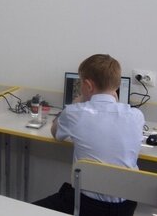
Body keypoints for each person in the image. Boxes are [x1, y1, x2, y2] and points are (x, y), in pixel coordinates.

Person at [33, 54, 144, 216]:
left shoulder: (75, 112)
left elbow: (55, 133)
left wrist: (75, 103)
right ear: (116, 85)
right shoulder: (136, 116)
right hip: (125, 209)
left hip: (85, 206)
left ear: (88, 85)